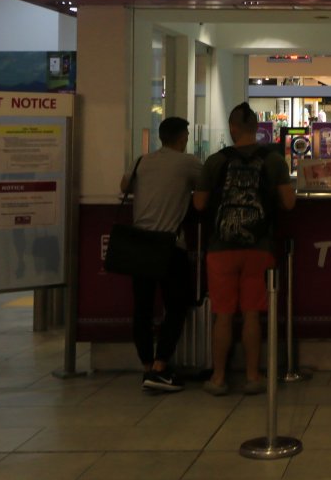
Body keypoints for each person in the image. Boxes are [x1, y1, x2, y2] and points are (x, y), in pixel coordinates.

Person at [193, 102, 295, 396]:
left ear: (232, 128)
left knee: (223, 315)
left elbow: (199, 204)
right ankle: (253, 376)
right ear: (258, 129)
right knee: (252, 313)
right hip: (259, 246)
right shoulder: (274, 160)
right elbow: (288, 203)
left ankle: (219, 378)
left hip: (220, 247)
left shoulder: (215, 161)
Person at [119, 116, 202, 393]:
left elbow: (124, 186)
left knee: (141, 309)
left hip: (140, 243)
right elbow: (207, 186)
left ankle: (146, 365)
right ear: (181, 138)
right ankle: (160, 366)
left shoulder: (141, 161)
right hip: (169, 245)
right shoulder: (187, 162)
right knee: (176, 306)